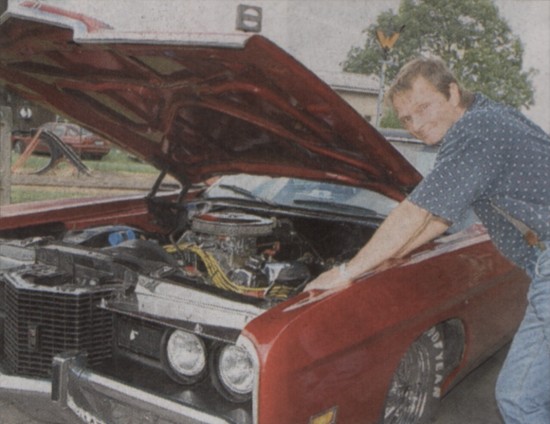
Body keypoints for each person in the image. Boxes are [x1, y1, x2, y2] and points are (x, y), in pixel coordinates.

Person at [305, 57, 550, 423]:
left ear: (452, 92)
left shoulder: (477, 129)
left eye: (423, 108)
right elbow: (437, 218)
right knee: (518, 397)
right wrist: (392, 255)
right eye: (406, 119)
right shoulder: (485, 120)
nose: (416, 125)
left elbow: (417, 211)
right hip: (541, 264)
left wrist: (346, 272)